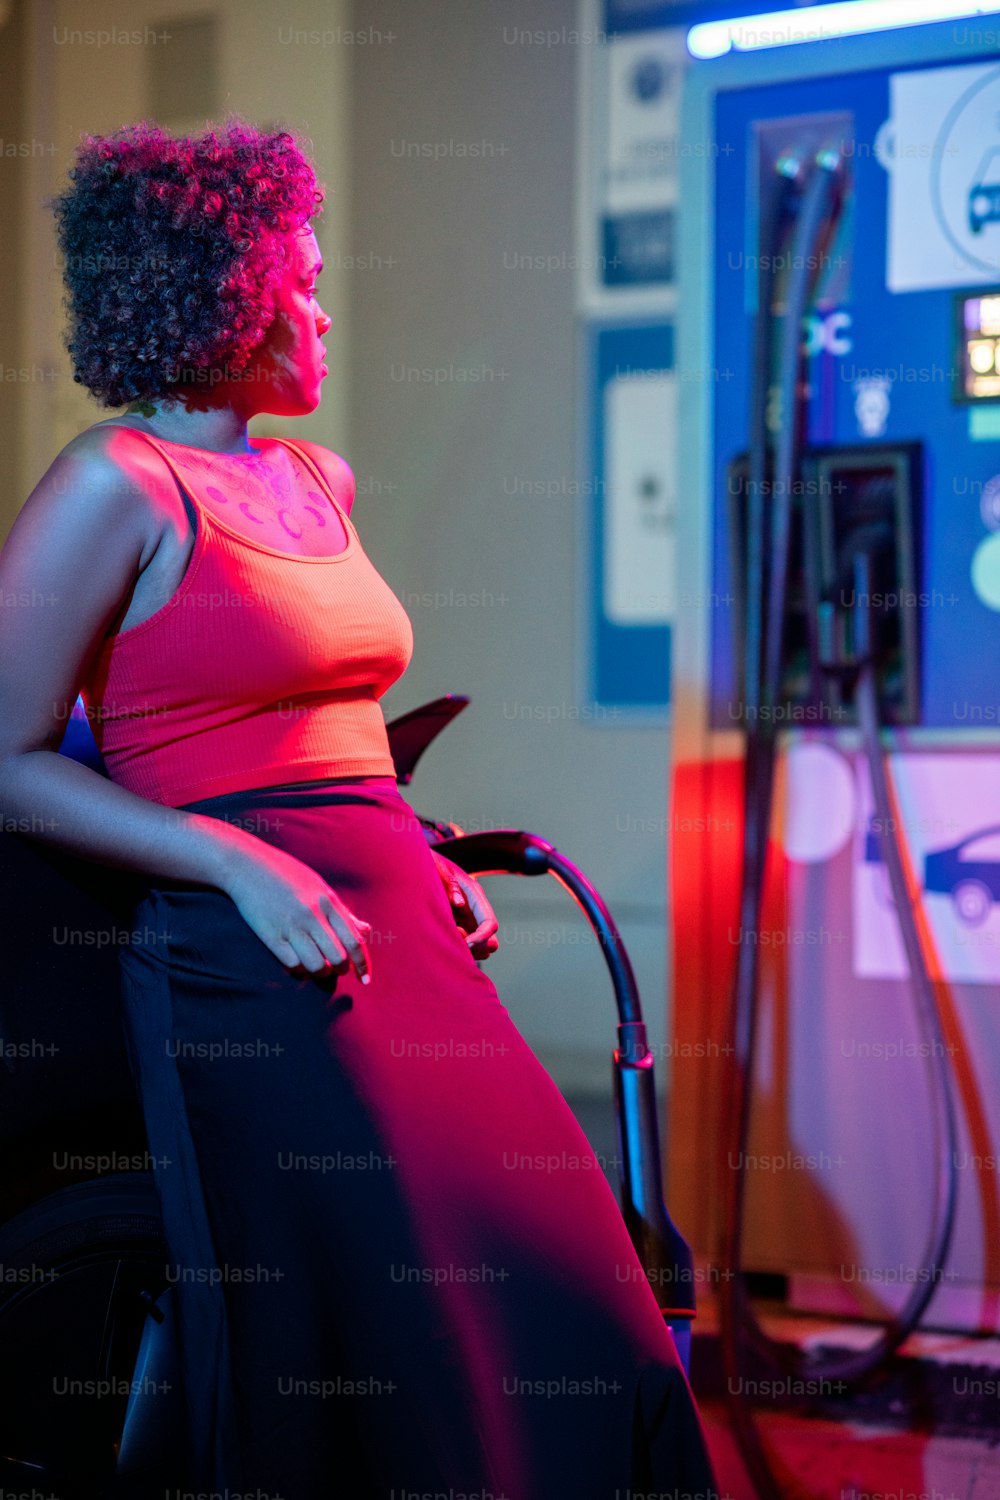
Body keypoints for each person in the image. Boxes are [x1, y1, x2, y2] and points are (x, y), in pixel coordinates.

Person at [0, 118, 720, 1498]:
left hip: (406, 941)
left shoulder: (316, 479)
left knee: (578, 1295)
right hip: (255, 963)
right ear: (229, 297)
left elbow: (331, 737)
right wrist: (232, 864)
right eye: (306, 283)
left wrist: (424, 846)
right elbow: (11, 758)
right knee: (406, 1332)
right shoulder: (114, 487)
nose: (325, 311)